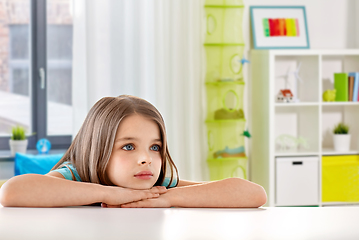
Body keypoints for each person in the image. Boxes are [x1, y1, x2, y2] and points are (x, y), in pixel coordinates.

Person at [0, 95, 267, 208]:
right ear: (98, 148)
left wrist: (166, 199)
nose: (146, 158)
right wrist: (112, 193)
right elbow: (12, 191)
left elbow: (253, 193)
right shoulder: (77, 175)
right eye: (129, 146)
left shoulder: (153, 185)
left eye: (155, 147)